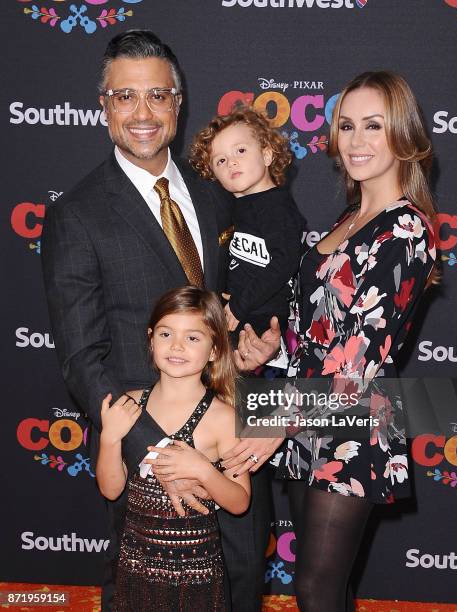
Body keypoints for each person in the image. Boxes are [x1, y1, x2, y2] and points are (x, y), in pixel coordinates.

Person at [41, 29, 279, 612]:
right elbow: (83, 359)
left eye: (157, 95)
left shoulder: (221, 189)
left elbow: (254, 301)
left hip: (237, 446)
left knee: (243, 590)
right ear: (104, 107)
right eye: (125, 97)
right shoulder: (78, 214)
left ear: (178, 102)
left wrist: (261, 345)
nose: (142, 113)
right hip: (151, 477)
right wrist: (161, 457)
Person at [275, 71, 439, 611]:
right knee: (330, 585)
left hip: (352, 420)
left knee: (314, 588)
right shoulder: (350, 219)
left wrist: (270, 420)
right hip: (305, 414)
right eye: (347, 125)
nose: (357, 140)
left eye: (375, 125)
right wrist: (268, 352)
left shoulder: (406, 230)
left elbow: (358, 355)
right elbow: (311, 332)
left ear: (404, 136)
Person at [96, 286, 251, 612]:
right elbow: (112, 490)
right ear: (151, 339)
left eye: (193, 338)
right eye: (166, 334)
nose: (177, 346)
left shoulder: (223, 417)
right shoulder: (131, 404)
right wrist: (109, 438)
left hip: (194, 572)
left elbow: (239, 502)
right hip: (136, 564)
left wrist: (203, 470)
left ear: (213, 350)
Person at [189, 107, 304, 344]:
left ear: (267, 155)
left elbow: (284, 262)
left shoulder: (277, 206)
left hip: (259, 320)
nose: (231, 162)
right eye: (220, 160)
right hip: (233, 314)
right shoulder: (227, 209)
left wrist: (241, 304)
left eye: (240, 150)